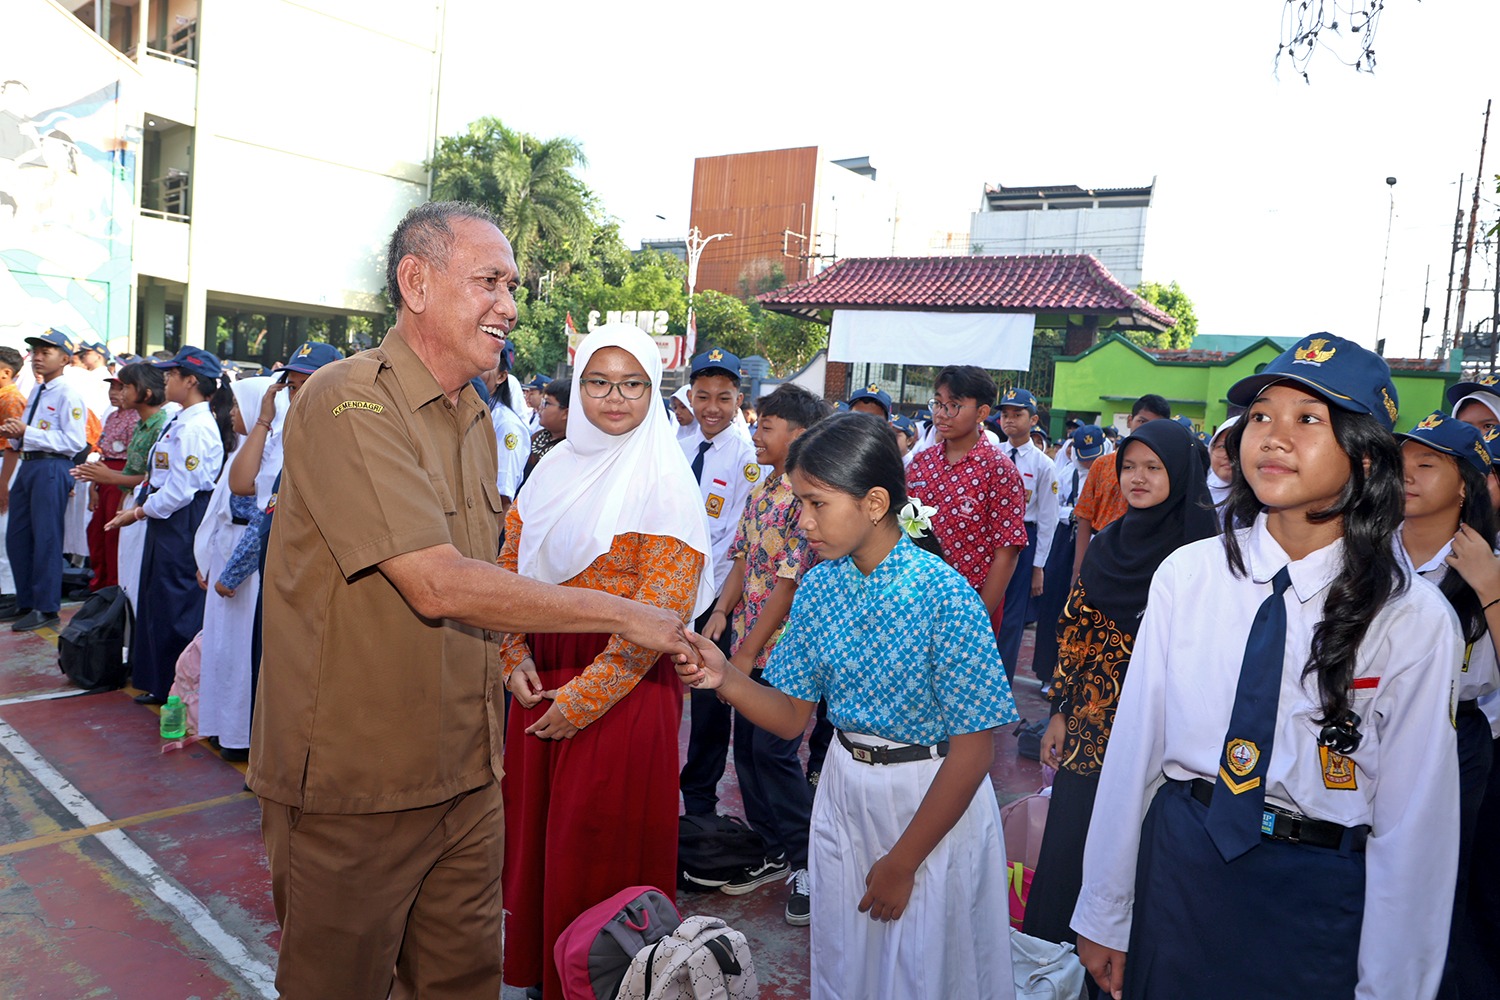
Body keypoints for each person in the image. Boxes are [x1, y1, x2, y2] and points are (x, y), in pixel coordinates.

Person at [245, 202, 693, 1000]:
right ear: (415, 282)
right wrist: (631, 614)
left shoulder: (476, 421)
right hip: (361, 785)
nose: (510, 306)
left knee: (463, 982)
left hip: (468, 775)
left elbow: (491, 575)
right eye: (489, 281)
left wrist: (508, 658)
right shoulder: (350, 401)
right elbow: (438, 581)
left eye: (512, 286)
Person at [1072, 334, 1461, 1000]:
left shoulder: (1409, 617)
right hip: (1183, 866)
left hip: (1313, 895)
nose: (1273, 437)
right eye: (1260, 416)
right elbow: (1135, 749)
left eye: (1307, 421)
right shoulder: (1188, 577)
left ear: (1366, 460)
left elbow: (1415, 828)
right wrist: (1104, 910)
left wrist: (1394, 986)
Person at [677, 412, 1020, 1000]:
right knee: (847, 961)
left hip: (929, 803)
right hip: (843, 787)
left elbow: (973, 750)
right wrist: (725, 677)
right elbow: (790, 714)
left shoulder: (944, 595)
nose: (802, 521)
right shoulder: (820, 586)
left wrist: (903, 861)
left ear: (875, 502)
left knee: (924, 969)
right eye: (799, 503)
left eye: (816, 504)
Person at [499, 323, 713, 1000]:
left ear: (654, 391)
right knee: (540, 843)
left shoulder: (667, 485)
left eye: (632, 384)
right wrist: (510, 654)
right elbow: (509, 569)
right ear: (579, 384)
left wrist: (582, 703)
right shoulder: (551, 469)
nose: (612, 398)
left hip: (622, 691)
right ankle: (542, 974)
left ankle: (601, 983)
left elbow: (660, 619)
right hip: (540, 678)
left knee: (597, 843)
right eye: (597, 381)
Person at [1024, 419, 1216, 955]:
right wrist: (1060, 711)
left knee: (1142, 860)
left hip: (1164, 740)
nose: (1138, 478)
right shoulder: (1109, 543)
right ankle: (1052, 971)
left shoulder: (1206, 556)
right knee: (1070, 852)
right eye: (1129, 466)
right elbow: (1075, 630)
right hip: (1092, 728)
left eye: (1154, 468)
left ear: (1181, 474)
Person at [703, 383, 830, 923]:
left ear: (798, 435)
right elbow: (741, 561)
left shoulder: (806, 502)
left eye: (766, 427)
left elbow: (787, 585)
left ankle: (808, 863)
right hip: (749, 643)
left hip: (785, 649)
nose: (755, 435)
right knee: (749, 751)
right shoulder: (762, 493)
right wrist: (720, 614)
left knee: (776, 753)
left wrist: (746, 656)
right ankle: (771, 848)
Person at [1394, 411, 1498, 1000]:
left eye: (1426, 466)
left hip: (1453, 736)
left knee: (1431, 881)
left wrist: (1488, 585)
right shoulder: (1362, 549)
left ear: (1465, 485)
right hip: (1362, 730)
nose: (1407, 476)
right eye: (1401, 464)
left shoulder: (1488, 565)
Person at [105, 345, 234, 704]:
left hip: (179, 518)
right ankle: (160, 680)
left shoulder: (195, 427)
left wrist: (140, 511)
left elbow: (182, 489)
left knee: (175, 603)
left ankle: (176, 688)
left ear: (191, 380)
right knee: (158, 598)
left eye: (173, 374)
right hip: (167, 515)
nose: (166, 378)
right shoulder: (181, 418)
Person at [679, 347, 759, 820]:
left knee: (708, 700)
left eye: (723, 398)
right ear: (690, 395)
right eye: (704, 396)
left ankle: (700, 802)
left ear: (737, 400)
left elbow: (739, 539)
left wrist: (716, 603)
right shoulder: (678, 444)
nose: (712, 407)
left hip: (715, 593)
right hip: (673, 586)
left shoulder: (747, 459)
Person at [905, 365, 1028, 671]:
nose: (942, 414)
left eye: (954, 405)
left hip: (968, 605)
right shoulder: (921, 463)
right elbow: (906, 527)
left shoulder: (997, 469)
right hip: (914, 601)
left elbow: (1007, 551)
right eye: (938, 403)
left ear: (982, 412)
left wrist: (976, 616)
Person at [193, 376, 277, 763]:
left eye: (239, 406)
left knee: (242, 654)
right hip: (227, 558)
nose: (231, 413)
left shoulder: (269, 452)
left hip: (246, 573)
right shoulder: (244, 448)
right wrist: (208, 559)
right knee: (223, 651)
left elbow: (260, 520)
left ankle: (239, 733)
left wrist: (231, 573)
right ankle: (222, 725)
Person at [1, 328, 88, 631]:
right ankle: (26, 599)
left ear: (65, 358)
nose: (37, 358)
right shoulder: (39, 390)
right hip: (30, 464)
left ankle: (46, 606)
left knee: (47, 537)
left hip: (52, 467)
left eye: (45, 352)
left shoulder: (68, 393)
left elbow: (75, 441)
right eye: (35, 352)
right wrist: (15, 435)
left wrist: (28, 434)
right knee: (18, 536)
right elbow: (29, 431)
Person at [77, 362, 171, 613]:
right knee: (105, 541)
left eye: (127, 387)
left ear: (147, 393)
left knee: (130, 559)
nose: (119, 393)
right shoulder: (140, 422)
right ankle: (107, 595)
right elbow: (132, 469)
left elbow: (152, 477)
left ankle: (118, 601)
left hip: (145, 504)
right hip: (126, 493)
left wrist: (110, 477)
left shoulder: (162, 425)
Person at [1031, 424, 1107, 687]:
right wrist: (1072, 513)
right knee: (1055, 605)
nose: (1088, 461)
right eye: (1084, 454)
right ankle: (1049, 671)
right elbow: (1053, 508)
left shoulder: (1109, 474)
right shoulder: (1065, 474)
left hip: (1097, 542)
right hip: (1065, 542)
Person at [994, 387, 1059, 681]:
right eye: (1005, 414)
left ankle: (1002, 680)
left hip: (1024, 538)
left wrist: (1038, 567)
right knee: (986, 606)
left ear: (1033, 420)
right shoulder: (993, 455)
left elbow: (1048, 518)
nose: (1009, 420)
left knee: (1012, 616)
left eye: (1017, 414)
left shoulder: (1043, 465)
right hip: (992, 539)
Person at [1072, 393, 1171, 583]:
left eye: (1155, 424)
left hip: (1142, 557)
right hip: (1099, 550)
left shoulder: (1166, 469)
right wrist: (1078, 568)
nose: (1147, 429)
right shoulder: (1102, 465)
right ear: (1130, 420)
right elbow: (1084, 515)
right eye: (1142, 421)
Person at [79, 375, 138, 591]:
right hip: (104, 474)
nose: (114, 393)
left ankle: (113, 586)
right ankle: (98, 582)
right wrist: (94, 487)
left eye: (121, 388)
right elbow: (103, 451)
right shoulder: (112, 416)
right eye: (111, 388)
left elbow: (134, 459)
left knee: (114, 534)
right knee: (96, 532)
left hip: (121, 476)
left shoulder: (136, 418)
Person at [0, 345, 27, 615]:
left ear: (6, 372)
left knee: (3, 529)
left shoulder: (10, 398)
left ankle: (9, 590)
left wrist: (3, 482)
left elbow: (14, 444)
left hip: (5, 463)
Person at [523, 377, 568, 481]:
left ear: (565, 413)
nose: (541, 407)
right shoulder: (537, 437)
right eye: (542, 402)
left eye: (547, 403)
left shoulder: (569, 448)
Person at [1205, 415, 1241, 507]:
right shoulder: (1198, 494)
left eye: (1237, 447)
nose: (1228, 455)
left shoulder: (1267, 502)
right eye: (1222, 446)